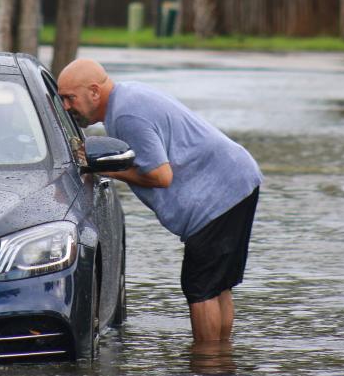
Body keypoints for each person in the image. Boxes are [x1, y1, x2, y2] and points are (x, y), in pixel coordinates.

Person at [57, 58, 261, 344]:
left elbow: (161, 176)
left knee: (200, 286)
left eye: (70, 98)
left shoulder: (127, 115)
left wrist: (103, 168)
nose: (66, 106)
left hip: (221, 192)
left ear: (94, 91)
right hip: (237, 180)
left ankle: (206, 367)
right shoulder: (128, 97)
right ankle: (220, 363)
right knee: (217, 286)